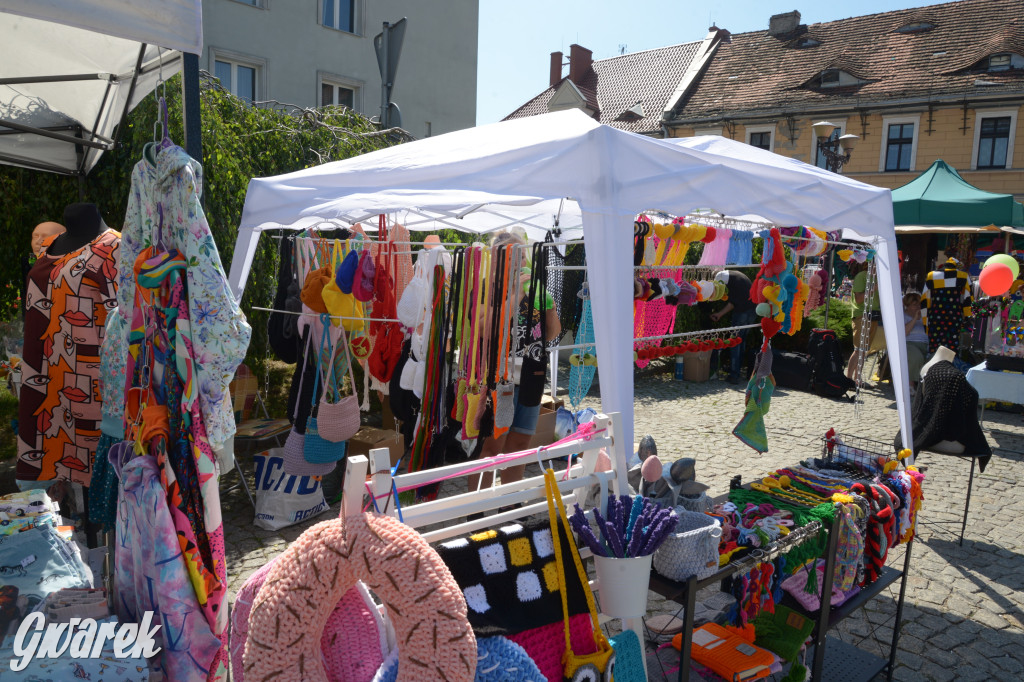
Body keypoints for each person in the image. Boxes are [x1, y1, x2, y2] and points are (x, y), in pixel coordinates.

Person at [472, 230, 561, 489]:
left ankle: (508, 508)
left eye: (521, 254)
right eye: (511, 255)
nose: (519, 260)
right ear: (497, 259)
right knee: (491, 447)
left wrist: (550, 308)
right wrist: (515, 297)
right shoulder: (488, 286)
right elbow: (483, 329)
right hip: (500, 380)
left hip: (532, 377)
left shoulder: (534, 284)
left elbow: (552, 334)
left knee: (519, 447)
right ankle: (477, 508)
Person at [709, 269, 754, 384]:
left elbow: (730, 302)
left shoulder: (720, 276)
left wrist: (719, 313)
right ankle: (736, 370)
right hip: (752, 311)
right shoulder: (736, 275)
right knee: (741, 342)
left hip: (742, 312)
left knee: (734, 342)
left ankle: (734, 375)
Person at [845, 260, 882, 385]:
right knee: (858, 349)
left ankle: (857, 379)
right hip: (862, 315)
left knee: (863, 350)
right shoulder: (862, 276)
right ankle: (848, 379)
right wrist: (874, 288)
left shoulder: (879, 278)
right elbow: (859, 299)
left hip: (874, 315)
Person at [903, 291, 929, 391]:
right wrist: (915, 319)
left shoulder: (925, 316)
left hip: (925, 344)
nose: (918, 307)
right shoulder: (903, 316)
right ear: (907, 306)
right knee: (916, 357)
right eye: (914, 305)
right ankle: (910, 384)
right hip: (909, 343)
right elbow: (904, 332)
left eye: (919, 304)